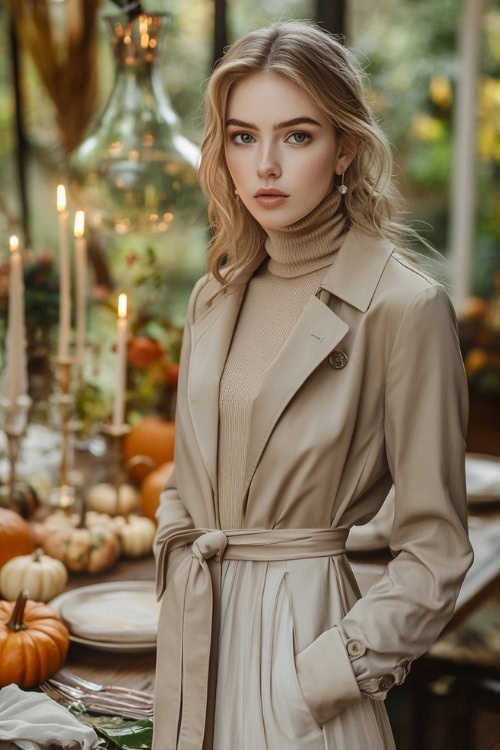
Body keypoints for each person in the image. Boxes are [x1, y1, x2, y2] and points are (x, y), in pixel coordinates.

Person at [152, 19, 474, 750]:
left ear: (345, 149)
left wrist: (320, 678)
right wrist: (176, 569)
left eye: (296, 136)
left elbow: (436, 552)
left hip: (306, 653)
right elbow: (187, 481)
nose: (265, 164)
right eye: (242, 137)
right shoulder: (214, 296)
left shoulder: (406, 307)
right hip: (195, 653)